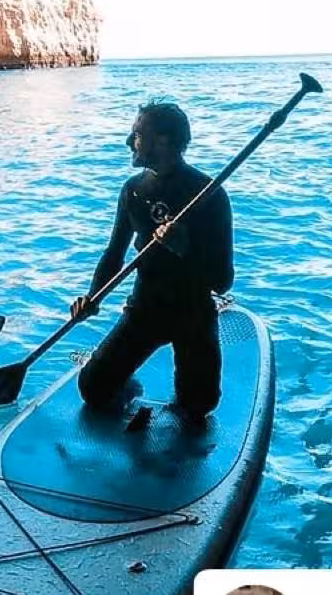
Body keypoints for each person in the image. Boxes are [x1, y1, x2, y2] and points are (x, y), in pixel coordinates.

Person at [70, 98, 233, 423]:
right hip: (145, 309)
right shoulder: (133, 190)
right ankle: (128, 385)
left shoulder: (209, 194)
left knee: (199, 407)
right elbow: (114, 252)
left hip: (193, 314)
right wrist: (92, 298)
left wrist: (183, 247)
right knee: (93, 391)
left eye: (137, 134)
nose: (129, 141)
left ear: (164, 141)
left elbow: (222, 280)